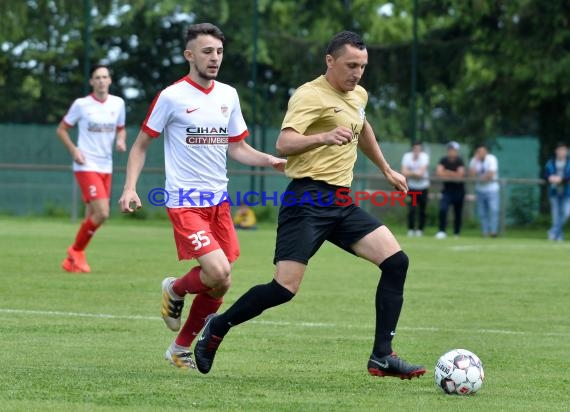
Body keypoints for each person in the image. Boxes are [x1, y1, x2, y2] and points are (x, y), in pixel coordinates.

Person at [194, 31, 426, 380]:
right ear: (330, 61)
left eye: (362, 66)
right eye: (351, 65)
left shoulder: (357, 94)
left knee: (396, 262)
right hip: (307, 200)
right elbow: (284, 142)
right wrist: (323, 136)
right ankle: (218, 326)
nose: (357, 73)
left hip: (341, 201)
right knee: (284, 289)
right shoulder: (309, 95)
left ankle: (382, 357)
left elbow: (362, 129)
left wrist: (387, 169)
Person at [118, 23, 285, 370]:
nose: (215, 58)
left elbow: (237, 147)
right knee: (217, 269)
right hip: (184, 200)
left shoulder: (229, 95)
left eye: (219, 52)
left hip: (218, 203)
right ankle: (176, 289)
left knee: (221, 280)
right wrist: (130, 187)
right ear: (189, 55)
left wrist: (268, 160)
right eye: (207, 52)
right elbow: (141, 145)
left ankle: (179, 348)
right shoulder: (171, 96)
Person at [57, 64, 127, 273]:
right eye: (97, 77)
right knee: (103, 213)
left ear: (110, 81)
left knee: (92, 217)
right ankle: (76, 250)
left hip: (107, 166)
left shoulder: (118, 103)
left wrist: (121, 141)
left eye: (105, 77)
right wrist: (74, 151)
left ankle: (71, 262)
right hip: (86, 164)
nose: (101, 81)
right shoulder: (81, 104)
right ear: (91, 82)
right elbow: (61, 130)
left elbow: (121, 129)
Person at [435, 141, 465, 239]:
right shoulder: (443, 160)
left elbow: (460, 175)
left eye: (453, 150)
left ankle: (457, 232)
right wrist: (453, 174)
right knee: (443, 209)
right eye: (450, 149)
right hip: (447, 190)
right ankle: (442, 231)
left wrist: (447, 172)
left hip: (459, 190)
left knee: (458, 212)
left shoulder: (460, 161)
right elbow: (439, 173)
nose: (451, 151)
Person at [469, 144, 500, 237]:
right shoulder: (474, 160)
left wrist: (479, 178)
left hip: (492, 190)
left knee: (494, 210)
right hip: (480, 190)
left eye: (482, 151)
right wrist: (475, 161)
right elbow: (472, 175)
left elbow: (490, 175)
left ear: (486, 152)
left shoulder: (492, 159)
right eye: (479, 152)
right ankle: (485, 232)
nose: (480, 153)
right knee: (482, 213)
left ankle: (493, 231)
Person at [401, 141, 430, 237]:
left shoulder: (424, 157)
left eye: (418, 149)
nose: (417, 151)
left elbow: (421, 173)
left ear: (421, 149)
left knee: (422, 209)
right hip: (411, 188)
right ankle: (410, 229)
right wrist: (415, 173)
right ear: (413, 149)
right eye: (415, 149)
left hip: (423, 187)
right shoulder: (407, 156)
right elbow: (403, 172)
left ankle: (420, 230)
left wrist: (410, 173)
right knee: (411, 209)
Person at [544, 142, 570, 241]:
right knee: (555, 215)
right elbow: (545, 175)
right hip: (554, 192)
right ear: (556, 151)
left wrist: (561, 179)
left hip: (567, 192)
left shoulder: (569, 163)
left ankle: (553, 231)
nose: (562, 152)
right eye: (560, 150)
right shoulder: (550, 162)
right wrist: (550, 178)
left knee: (566, 213)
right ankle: (559, 236)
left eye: (564, 150)